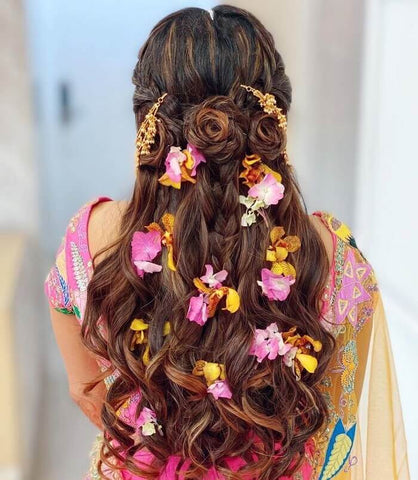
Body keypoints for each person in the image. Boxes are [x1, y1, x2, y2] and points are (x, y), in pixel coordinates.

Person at [43, 5, 410, 479]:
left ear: (147, 129)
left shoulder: (90, 239)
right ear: (273, 124)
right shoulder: (333, 255)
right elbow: (337, 419)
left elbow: (85, 389)